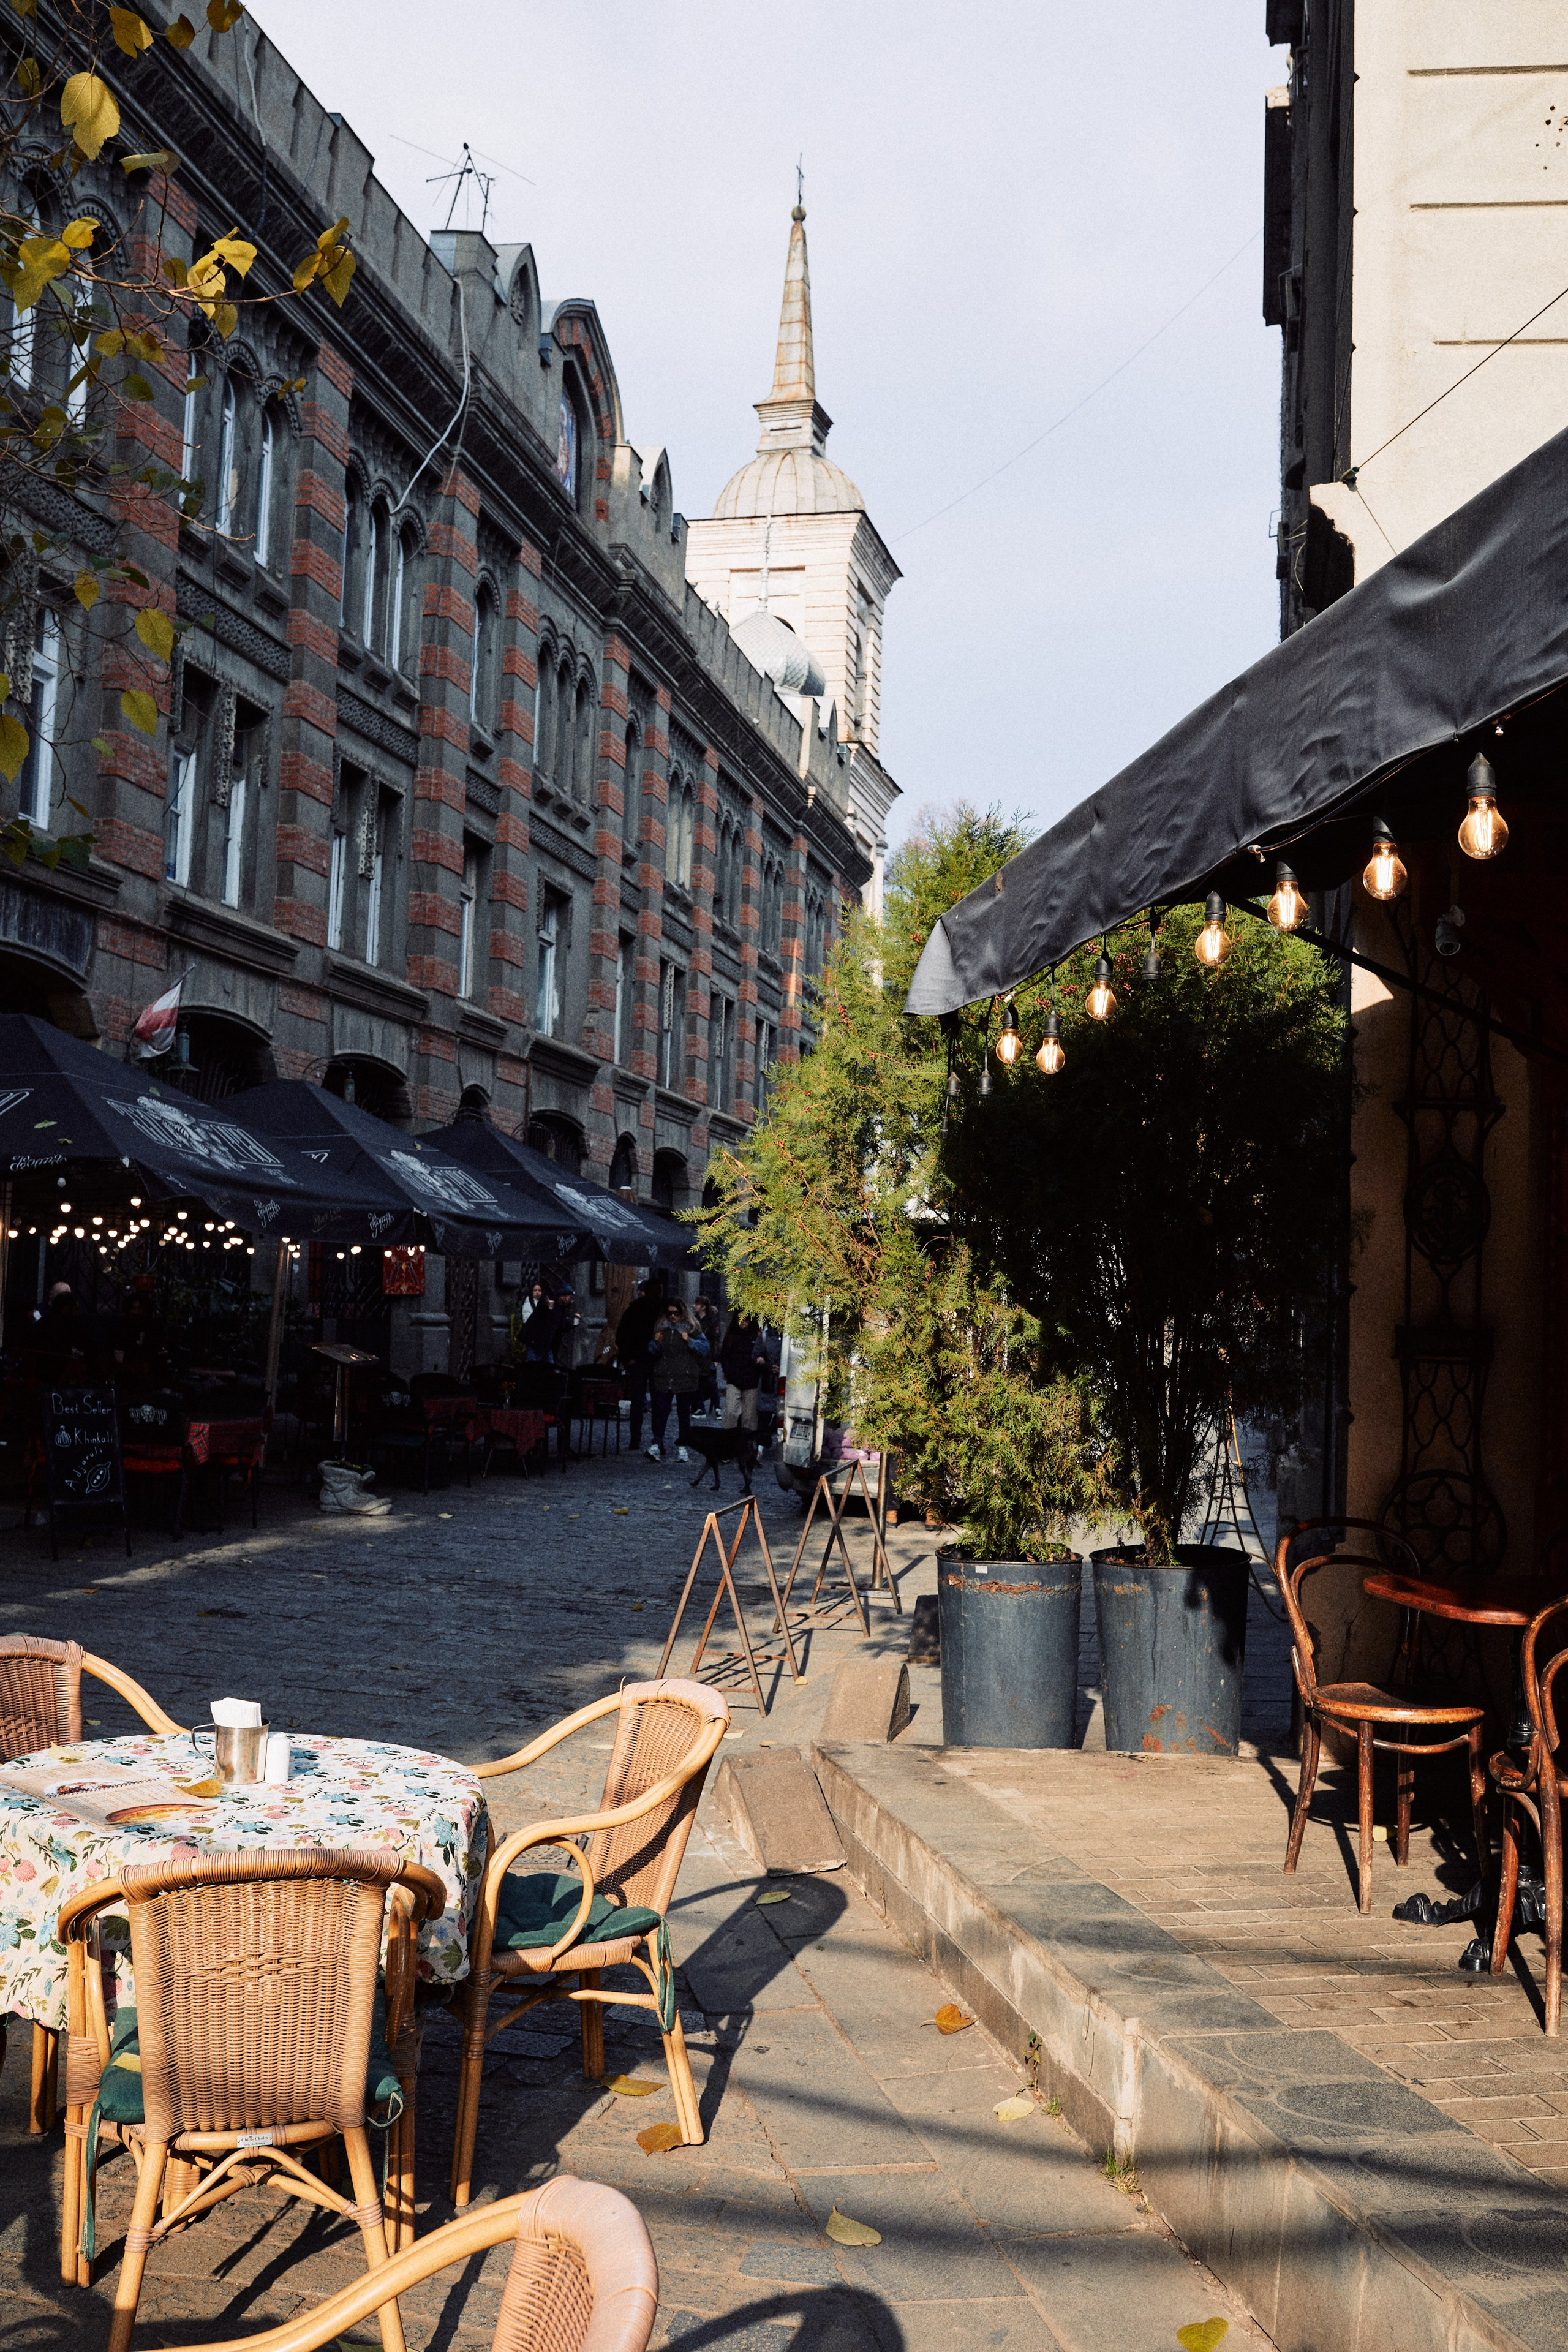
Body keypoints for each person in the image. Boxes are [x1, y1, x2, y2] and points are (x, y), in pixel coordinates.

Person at [647, 1298, 707, 1464]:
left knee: (683, 1413)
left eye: (676, 1313)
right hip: (665, 1376)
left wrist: (690, 1341)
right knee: (661, 1410)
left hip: (684, 1376)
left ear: (682, 1312)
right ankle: (657, 1443)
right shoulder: (662, 1328)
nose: (673, 1317)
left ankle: (683, 1446)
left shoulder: (691, 1328)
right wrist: (656, 1342)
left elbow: (705, 1348)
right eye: (670, 1313)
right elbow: (652, 1350)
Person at [614, 1279, 662, 1450]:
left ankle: (645, 1438)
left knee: (643, 1401)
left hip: (647, 1361)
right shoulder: (640, 1311)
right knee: (646, 1401)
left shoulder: (653, 1311)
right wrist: (629, 1359)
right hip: (644, 1361)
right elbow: (622, 1337)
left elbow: (621, 1337)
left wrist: (629, 1359)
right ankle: (652, 1438)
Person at [719, 1311, 767, 1431]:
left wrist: (761, 1362)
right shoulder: (731, 1336)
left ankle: (748, 1444)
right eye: (740, 1319)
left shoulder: (758, 1336)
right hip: (735, 1380)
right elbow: (724, 1356)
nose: (743, 1322)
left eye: (746, 1319)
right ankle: (728, 1439)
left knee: (749, 1417)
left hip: (752, 1381)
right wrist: (729, 1373)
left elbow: (763, 1355)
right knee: (731, 1412)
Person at [690, 1297, 720, 1415]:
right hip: (698, 1356)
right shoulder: (695, 1320)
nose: (694, 1306)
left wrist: (716, 1358)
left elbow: (717, 1340)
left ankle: (717, 1407)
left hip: (709, 1356)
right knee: (698, 1382)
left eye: (697, 1304)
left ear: (703, 1307)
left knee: (711, 1382)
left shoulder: (712, 1320)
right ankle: (700, 1407)